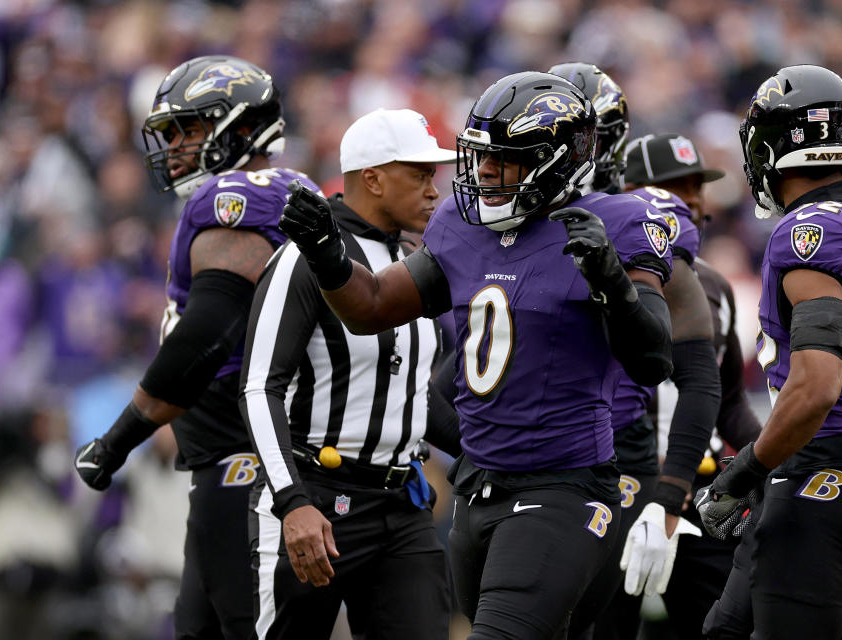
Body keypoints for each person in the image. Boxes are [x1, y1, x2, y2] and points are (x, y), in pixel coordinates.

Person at [278, 71, 678, 640]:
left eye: (504, 159)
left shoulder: (615, 225)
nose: (483, 172)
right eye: (481, 156)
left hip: (562, 489)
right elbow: (369, 306)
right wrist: (325, 254)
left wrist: (611, 280)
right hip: (478, 491)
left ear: (555, 160)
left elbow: (653, 360)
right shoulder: (462, 224)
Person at [72, 55, 317, 639]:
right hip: (235, 461)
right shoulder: (284, 191)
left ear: (239, 129)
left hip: (248, 462)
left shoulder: (237, 197)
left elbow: (208, 335)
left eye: (189, 129)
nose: (175, 145)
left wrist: (116, 440)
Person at [696, 64, 842, 640]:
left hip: (825, 468)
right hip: (840, 462)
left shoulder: (808, 234)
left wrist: (744, 470)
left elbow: (818, 385)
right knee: (725, 629)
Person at [238, 108, 455, 639]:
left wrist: (495, 455)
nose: (434, 190)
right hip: (316, 493)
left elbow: (411, 396)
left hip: (401, 503)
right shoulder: (304, 259)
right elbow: (258, 387)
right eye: (420, 174)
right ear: (373, 177)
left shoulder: (415, 261)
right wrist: (292, 503)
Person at [544, 64, 721, 640]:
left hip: (619, 452)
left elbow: (701, 377)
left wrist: (672, 493)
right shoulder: (492, 226)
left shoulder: (640, 223)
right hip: (526, 459)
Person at [621, 132, 764, 640]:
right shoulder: (606, 280)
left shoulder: (715, 286)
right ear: (631, 191)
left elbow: (728, 401)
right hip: (625, 484)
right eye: (674, 188)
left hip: (701, 489)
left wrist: (770, 456)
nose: (693, 202)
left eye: (697, 188)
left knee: (716, 627)